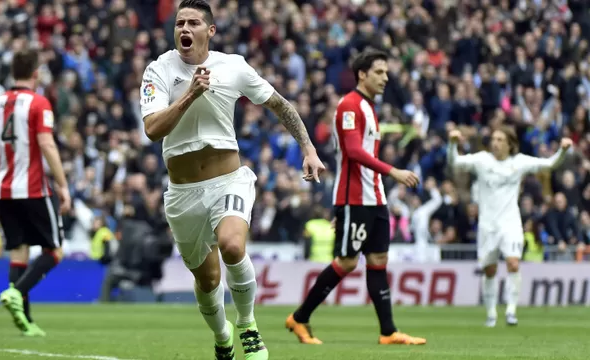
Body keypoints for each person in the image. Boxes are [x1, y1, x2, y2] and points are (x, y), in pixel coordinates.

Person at [139, 0, 325, 359]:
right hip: (183, 193)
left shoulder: (233, 66)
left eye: (193, 23)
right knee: (207, 281)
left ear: (210, 31)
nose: (184, 29)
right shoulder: (158, 69)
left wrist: (308, 148)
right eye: (179, 23)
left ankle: (248, 325)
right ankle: (223, 337)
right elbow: (151, 129)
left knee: (233, 246)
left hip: (229, 180)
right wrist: (190, 94)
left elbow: (281, 105)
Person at [285, 49, 426, 346]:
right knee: (347, 262)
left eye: (386, 72)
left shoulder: (369, 107)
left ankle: (388, 332)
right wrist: (393, 171)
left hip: (375, 197)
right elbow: (352, 151)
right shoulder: (350, 105)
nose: (385, 78)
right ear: (362, 74)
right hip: (355, 198)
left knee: (378, 260)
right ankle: (299, 318)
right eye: (379, 72)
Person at [0, 49, 71, 337]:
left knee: (18, 253)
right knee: (54, 250)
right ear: (35, 73)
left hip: (3, 189)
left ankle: (26, 322)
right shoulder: (38, 103)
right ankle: (16, 294)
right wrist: (62, 185)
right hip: (33, 188)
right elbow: (46, 144)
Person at [447, 127, 571, 327]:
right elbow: (455, 162)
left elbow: (549, 165)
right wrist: (452, 144)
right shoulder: (482, 160)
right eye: (493, 139)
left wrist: (563, 151)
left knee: (513, 264)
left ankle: (511, 311)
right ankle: (491, 314)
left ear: (509, 144)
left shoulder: (519, 162)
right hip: (487, 226)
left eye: (499, 139)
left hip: (510, 223)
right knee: (490, 270)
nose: (494, 143)